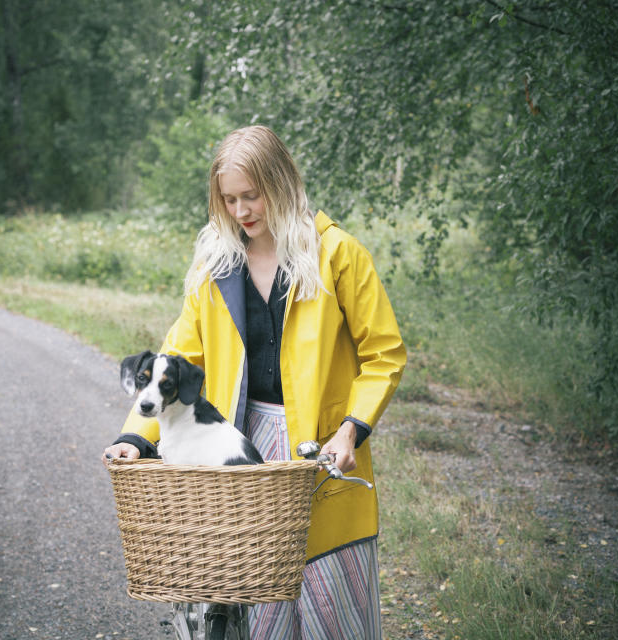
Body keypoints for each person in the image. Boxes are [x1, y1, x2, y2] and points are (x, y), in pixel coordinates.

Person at [101, 125, 406, 640]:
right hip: (240, 450)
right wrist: (135, 438)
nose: (241, 211)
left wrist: (351, 430)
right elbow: (178, 357)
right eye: (230, 199)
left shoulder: (339, 255)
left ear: (282, 183)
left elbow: (384, 353)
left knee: (335, 604)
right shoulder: (214, 265)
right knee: (257, 604)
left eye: (252, 195)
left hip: (325, 448)